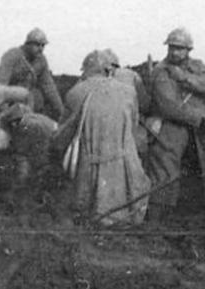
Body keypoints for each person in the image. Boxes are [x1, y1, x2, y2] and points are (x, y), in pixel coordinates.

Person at [62, 49, 151, 225]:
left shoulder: (75, 93)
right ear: (109, 70)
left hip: (89, 168)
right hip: (125, 165)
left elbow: (66, 132)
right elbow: (133, 126)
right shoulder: (128, 92)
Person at [147, 27, 205, 218]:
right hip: (173, 125)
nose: (175, 52)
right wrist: (199, 118)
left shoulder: (197, 66)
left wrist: (185, 79)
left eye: (180, 48)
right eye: (172, 47)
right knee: (165, 166)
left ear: (189, 50)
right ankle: (161, 214)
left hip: (199, 128)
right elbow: (170, 107)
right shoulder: (161, 71)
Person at [0, 28, 65, 120]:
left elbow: (49, 88)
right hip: (9, 100)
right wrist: (4, 111)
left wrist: (62, 112)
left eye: (43, 45)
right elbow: (1, 85)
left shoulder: (41, 60)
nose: (41, 49)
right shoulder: (12, 55)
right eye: (37, 45)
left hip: (27, 102)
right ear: (28, 44)